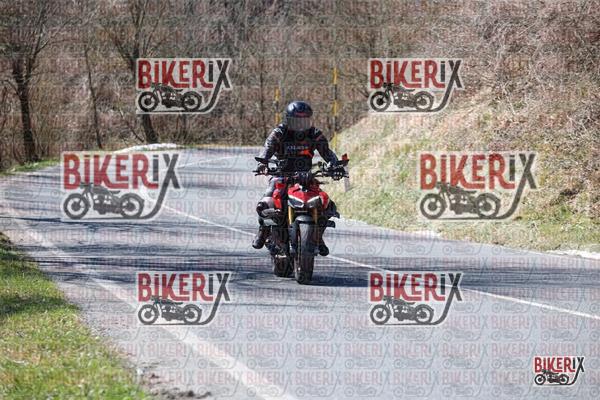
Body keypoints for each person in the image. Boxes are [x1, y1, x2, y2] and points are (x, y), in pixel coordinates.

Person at [252, 101, 344, 256]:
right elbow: (267, 147)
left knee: (327, 205)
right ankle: (263, 231)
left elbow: (327, 152)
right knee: (266, 201)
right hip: (282, 175)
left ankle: (317, 238)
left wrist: (335, 165)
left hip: (306, 177)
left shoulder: (314, 134)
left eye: (304, 121)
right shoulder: (279, 132)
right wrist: (263, 163)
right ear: (288, 120)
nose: (301, 125)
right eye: (297, 121)